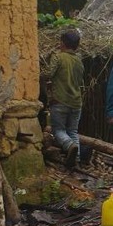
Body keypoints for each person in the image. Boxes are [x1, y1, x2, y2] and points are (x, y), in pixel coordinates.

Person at [44, 30, 85, 168]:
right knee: (73, 131)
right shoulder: (79, 60)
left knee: (58, 131)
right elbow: (80, 80)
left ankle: (70, 146)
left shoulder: (58, 57)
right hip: (76, 102)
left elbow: (49, 74)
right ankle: (77, 160)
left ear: (62, 43)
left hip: (60, 101)